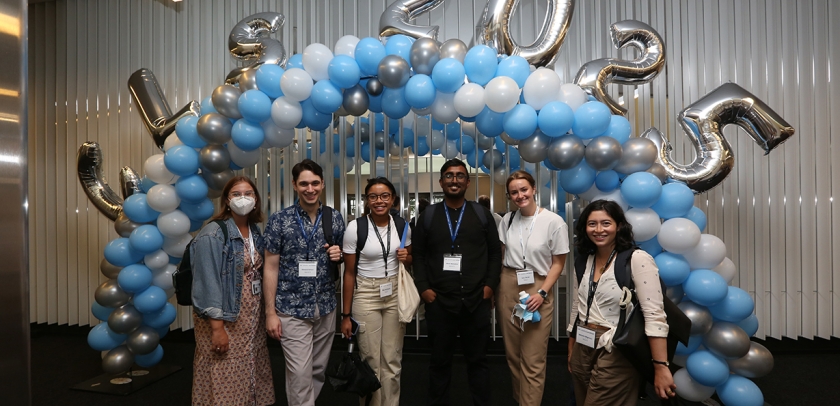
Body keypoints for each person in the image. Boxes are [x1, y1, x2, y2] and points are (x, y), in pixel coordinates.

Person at [567, 199, 676, 405]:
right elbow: (578, 307)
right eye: (592, 224)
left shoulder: (637, 259)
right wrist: (571, 349)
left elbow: (655, 316)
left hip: (616, 347)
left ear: (619, 226)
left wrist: (660, 366)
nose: (599, 229)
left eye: (606, 223)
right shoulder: (583, 261)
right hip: (583, 343)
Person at [412, 158, 502, 406]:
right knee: (439, 363)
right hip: (439, 302)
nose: (454, 180)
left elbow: (495, 253)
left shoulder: (482, 215)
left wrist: (489, 286)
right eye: (449, 176)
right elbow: (418, 255)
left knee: (479, 362)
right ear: (441, 181)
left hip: (476, 301)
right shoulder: (428, 216)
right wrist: (424, 289)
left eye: (460, 175)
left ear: (467, 181)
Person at [263, 159, 345, 406]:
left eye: (315, 183)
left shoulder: (335, 218)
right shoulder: (279, 220)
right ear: (294, 185)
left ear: (322, 184)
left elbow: (340, 257)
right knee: (299, 373)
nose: (310, 189)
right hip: (291, 309)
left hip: (326, 306)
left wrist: (337, 256)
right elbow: (270, 267)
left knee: (317, 370)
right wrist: (270, 313)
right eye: (304, 184)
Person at [191, 176, 274, 405]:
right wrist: (217, 328)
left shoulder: (255, 231)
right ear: (227, 201)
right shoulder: (213, 233)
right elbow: (206, 284)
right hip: (226, 319)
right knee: (223, 371)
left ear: (255, 200)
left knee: (249, 369)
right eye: (236, 194)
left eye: (248, 193)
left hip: (251, 320)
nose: (243, 198)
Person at [496, 171, 569, 406]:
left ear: (534, 189)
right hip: (509, 283)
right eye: (514, 192)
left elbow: (558, 263)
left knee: (533, 357)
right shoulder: (507, 220)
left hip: (538, 285)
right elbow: (502, 256)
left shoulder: (553, 221)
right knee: (513, 354)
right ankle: (521, 400)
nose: (520, 195)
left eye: (524, 189)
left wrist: (543, 293)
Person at [340, 177, 413, 406]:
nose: (379, 201)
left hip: (393, 292)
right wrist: (346, 315)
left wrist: (406, 257)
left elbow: (408, 261)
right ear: (367, 200)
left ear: (392, 199)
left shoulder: (402, 226)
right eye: (373, 196)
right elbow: (349, 273)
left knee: (392, 359)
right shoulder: (356, 227)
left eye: (384, 196)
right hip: (366, 294)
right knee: (370, 359)